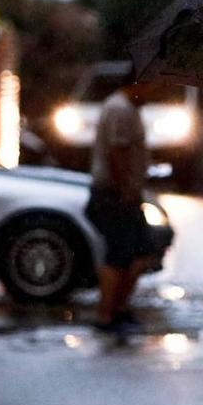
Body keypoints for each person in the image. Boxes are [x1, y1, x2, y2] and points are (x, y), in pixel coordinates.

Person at [87, 79, 152, 330]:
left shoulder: (126, 108)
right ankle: (107, 314)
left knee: (139, 253)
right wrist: (124, 187)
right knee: (119, 255)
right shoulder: (121, 109)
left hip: (123, 193)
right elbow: (118, 151)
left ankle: (118, 309)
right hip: (115, 194)